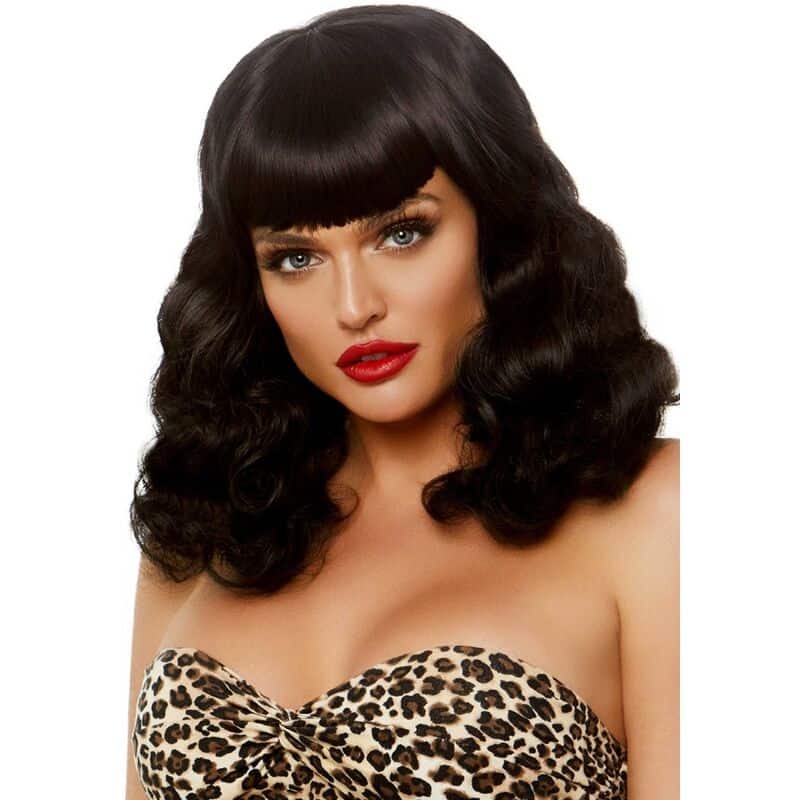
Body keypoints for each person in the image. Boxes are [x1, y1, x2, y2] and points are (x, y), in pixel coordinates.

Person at [126, 5, 679, 799]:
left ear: (499, 223)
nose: (355, 306)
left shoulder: (653, 510)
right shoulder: (204, 522)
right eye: (295, 257)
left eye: (402, 233)